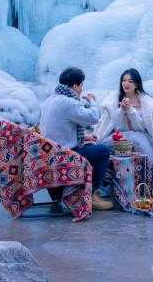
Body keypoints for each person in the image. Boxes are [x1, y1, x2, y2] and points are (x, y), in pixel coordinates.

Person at [40, 66, 113, 211]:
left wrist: (84, 137)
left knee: (91, 147)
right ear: (75, 85)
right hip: (63, 155)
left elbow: (58, 128)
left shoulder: (50, 100)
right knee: (103, 151)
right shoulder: (68, 102)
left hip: (49, 153)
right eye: (81, 86)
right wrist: (92, 101)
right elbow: (93, 117)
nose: (81, 89)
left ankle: (68, 193)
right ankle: (93, 195)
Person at [94, 68, 153, 191]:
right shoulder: (114, 99)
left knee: (145, 151)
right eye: (123, 80)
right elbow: (114, 123)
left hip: (141, 136)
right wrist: (122, 110)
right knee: (103, 151)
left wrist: (131, 111)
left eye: (130, 81)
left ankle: (144, 187)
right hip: (120, 136)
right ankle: (110, 187)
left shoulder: (146, 102)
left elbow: (143, 126)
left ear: (137, 84)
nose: (126, 84)